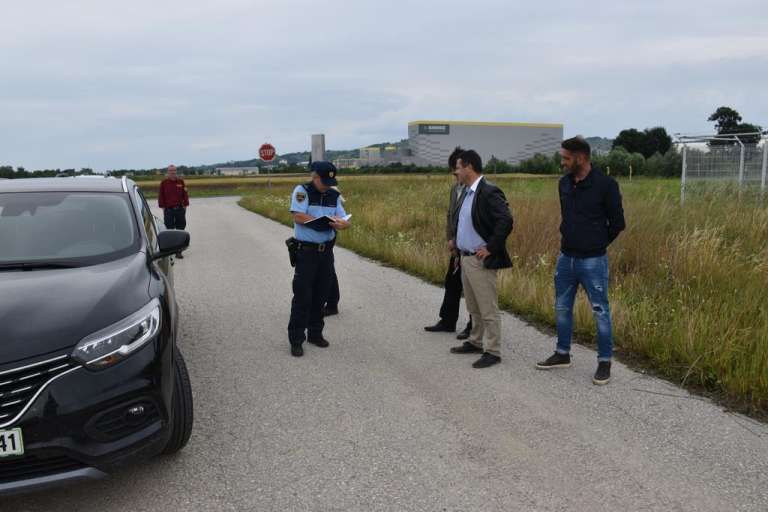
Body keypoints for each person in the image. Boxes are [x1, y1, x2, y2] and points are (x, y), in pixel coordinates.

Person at [536, 136, 625, 385]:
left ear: (581, 158)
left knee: (600, 311)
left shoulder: (606, 185)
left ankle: (604, 362)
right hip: (566, 258)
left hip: (593, 261)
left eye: (566, 158)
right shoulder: (564, 184)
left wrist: (595, 244)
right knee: (562, 307)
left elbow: (618, 224)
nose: (562, 162)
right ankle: (562, 354)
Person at [449, 150, 513, 368]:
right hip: (465, 258)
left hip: (480, 260)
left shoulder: (488, 191)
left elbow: (505, 220)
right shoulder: (466, 192)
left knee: (487, 307)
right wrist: (458, 248)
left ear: (468, 166)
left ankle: (493, 351)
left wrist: (491, 247)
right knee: (473, 306)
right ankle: (475, 341)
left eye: (458, 167)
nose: (455, 171)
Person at [287, 162, 350, 357]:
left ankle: (315, 333)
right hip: (307, 251)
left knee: (321, 294)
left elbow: (343, 219)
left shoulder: (333, 195)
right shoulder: (302, 191)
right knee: (303, 295)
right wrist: (318, 223)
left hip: (326, 252)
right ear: (315, 177)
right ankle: (297, 339)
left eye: (330, 182)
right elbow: (298, 216)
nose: (327, 185)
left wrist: (341, 224)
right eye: (324, 181)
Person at [424, 147, 472, 337]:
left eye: (458, 168)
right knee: (452, 283)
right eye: (454, 169)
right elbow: (450, 216)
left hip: (470, 247)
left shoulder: (474, 189)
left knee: (471, 289)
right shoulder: (455, 189)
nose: (455, 173)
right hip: (456, 245)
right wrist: (450, 239)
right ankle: (447, 320)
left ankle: (473, 325)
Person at [158, 164, 189, 258]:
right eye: (171, 171)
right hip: (169, 210)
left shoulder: (180, 182)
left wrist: (185, 206)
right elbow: (161, 196)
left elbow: (185, 194)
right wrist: (163, 208)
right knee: (170, 230)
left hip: (179, 209)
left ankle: (178, 251)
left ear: (176, 171)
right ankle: (171, 250)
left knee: (180, 229)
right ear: (168, 172)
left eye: (174, 170)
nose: (173, 172)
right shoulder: (164, 183)